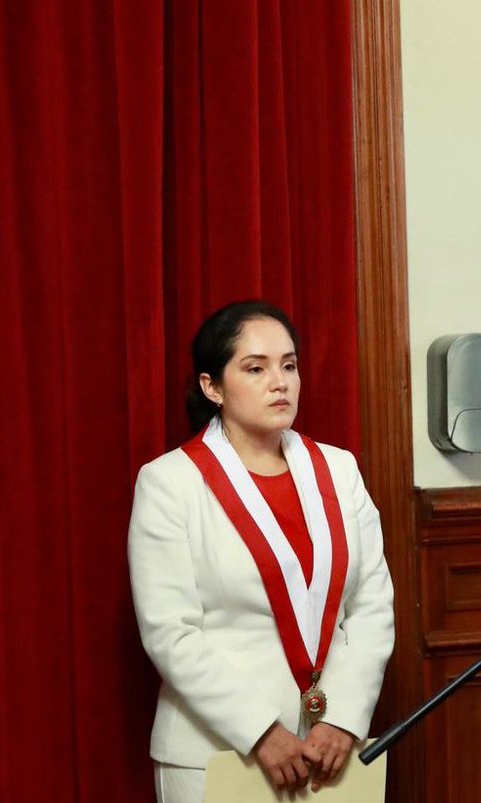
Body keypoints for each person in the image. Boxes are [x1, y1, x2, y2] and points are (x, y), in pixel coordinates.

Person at [128, 301, 394, 803]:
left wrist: (342, 716)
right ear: (212, 387)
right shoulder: (170, 482)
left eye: (289, 365)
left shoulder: (339, 470)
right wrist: (260, 731)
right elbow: (170, 632)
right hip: (219, 752)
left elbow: (372, 604)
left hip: (328, 752)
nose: (281, 382)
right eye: (256, 368)